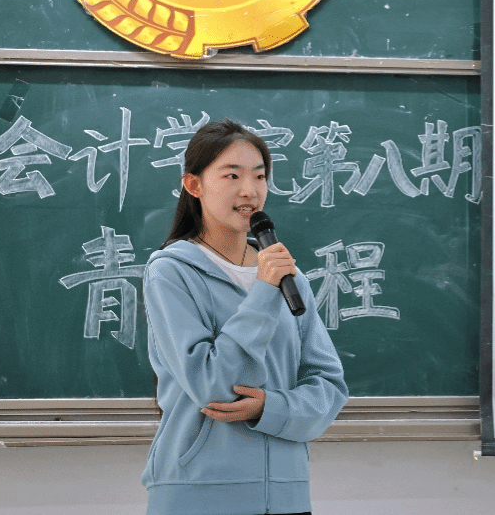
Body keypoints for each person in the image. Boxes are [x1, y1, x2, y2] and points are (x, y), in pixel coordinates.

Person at [142, 119, 347, 515]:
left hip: (287, 496)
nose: (250, 191)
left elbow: (329, 385)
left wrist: (270, 407)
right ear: (194, 185)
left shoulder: (288, 276)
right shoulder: (171, 272)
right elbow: (212, 386)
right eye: (232, 175)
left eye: (259, 176)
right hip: (197, 495)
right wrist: (263, 292)